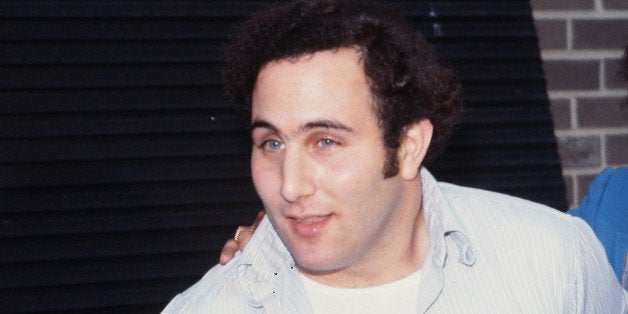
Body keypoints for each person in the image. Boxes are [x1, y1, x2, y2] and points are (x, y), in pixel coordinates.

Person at [162, 1, 626, 312]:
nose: (289, 185)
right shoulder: (211, 306)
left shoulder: (553, 258)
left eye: (326, 141)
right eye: (272, 143)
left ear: (408, 146)